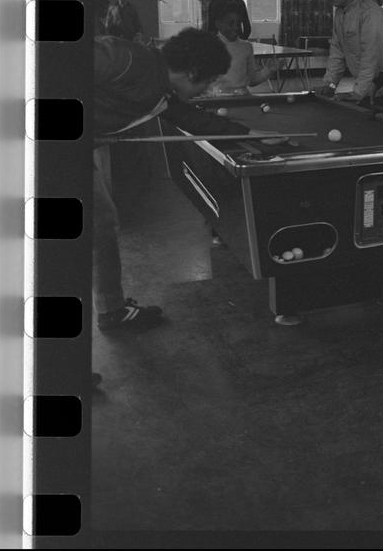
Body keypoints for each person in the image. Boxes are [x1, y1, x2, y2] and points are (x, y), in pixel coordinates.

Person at [93, 28, 260, 333]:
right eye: (209, 81)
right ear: (193, 72)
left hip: (67, 151)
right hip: (43, 151)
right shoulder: (129, 59)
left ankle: (112, 311)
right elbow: (62, 64)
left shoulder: (162, 91)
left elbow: (192, 119)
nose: (208, 90)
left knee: (102, 224)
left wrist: (251, 135)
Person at [318, 0, 383, 102]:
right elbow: (337, 52)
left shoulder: (370, 13)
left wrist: (358, 93)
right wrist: (330, 85)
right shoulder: (340, 13)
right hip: (365, 83)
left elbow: (371, 58)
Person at [206, 7, 279, 95]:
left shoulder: (246, 47)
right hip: (217, 100)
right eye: (231, 23)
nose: (236, 27)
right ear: (218, 24)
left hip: (242, 98)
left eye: (238, 23)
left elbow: (252, 80)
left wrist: (268, 70)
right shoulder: (209, 46)